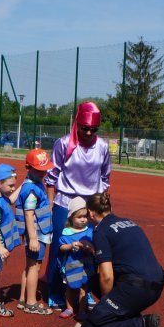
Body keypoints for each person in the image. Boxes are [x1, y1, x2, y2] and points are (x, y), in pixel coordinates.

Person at [76, 193, 164, 327]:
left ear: (90, 213)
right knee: (95, 281)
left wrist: (106, 301)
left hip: (136, 288)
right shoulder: (129, 222)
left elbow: (107, 275)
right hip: (156, 284)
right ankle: (127, 316)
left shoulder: (100, 231)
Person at [44, 101, 112, 309]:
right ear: (77, 124)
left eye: (93, 129)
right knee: (60, 247)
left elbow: (105, 176)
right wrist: (50, 203)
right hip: (65, 202)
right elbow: (51, 175)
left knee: (90, 249)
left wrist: (101, 205)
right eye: (85, 128)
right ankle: (55, 291)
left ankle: (86, 292)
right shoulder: (63, 144)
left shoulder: (102, 147)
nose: (89, 132)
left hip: (90, 205)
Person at [16, 149, 54, 315]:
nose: (42, 173)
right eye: (38, 170)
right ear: (28, 167)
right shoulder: (31, 190)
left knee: (31, 265)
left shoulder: (32, 183)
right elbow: (28, 214)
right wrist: (33, 239)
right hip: (37, 234)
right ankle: (31, 302)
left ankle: (24, 299)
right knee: (34, 267)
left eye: (44, 170)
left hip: (38, 233)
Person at [0, 164, 21, 317]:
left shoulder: (1, 198)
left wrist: (26, 182)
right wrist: (0, 247)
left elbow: (11, 199)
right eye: (11, 185)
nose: (13, 188)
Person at [56, 197, 94, 320]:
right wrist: (71, 245)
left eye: (85, 216)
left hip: (86, 264)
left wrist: (88, 247)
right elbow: (61, 247)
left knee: (84, 288)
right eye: (79, 217)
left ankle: (82, 310)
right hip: (72, 264)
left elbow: (93, 246)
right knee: (70, 288)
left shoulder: (89, 231)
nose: (83, 220)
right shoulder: (67, 232)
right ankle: (69, 308)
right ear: (71, 217)